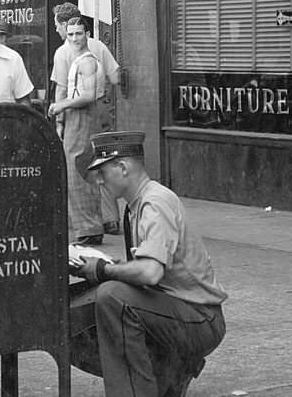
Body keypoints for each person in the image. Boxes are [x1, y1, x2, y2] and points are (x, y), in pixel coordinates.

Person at [75, 131, 227, 397]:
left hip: (200, 318)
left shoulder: (155, 202)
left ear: (122, 167)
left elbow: (150, 272)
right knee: (88, 303)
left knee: (113, 297)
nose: (98, 181)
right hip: (179, 310)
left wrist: (103, 269)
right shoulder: (137, 204)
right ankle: (165, 373)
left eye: (102, 172)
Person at [51, 2, 122, 233]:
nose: (57, 31)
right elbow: (115, 77)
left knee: (78, 167)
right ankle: (110, 219)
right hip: (102, 111)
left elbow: (61, 89)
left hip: (78, 113)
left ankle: (85, 225)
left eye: (56, 25)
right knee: (103, 161)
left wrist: (59, 121)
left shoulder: (64, 51)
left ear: (63, 24)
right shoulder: (98, 45)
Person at [49, 17, 107, 245]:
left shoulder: (87, 62)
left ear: (87, 34)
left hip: (82, 115)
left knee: (77, 169)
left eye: (79, 34)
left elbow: (88, 95)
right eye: (71, 34)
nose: (74, 38)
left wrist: (60, 106)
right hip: (77, 115)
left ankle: (89, 229)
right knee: (78, 169)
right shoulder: (79, 59)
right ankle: (87, 228)